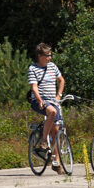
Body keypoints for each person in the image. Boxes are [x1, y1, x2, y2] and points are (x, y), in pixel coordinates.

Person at [28, 43, 66, 174]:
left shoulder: (53, 66)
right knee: (52, 112)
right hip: (39, 101)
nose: (50, 58)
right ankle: (43, 142)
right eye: (47, 55)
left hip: (53, 101)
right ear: (40, 56)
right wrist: (39, 100)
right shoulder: (33, 68)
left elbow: (61, 80)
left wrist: (59, 95)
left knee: (55, 130)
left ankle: (56, 162)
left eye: (50, 55)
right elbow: (34, 87)